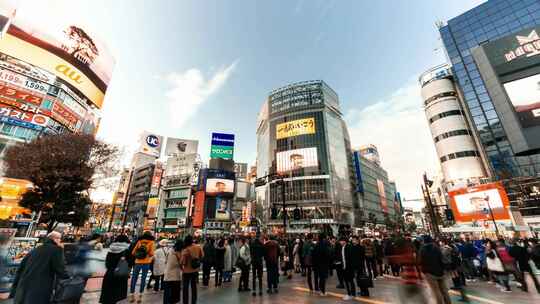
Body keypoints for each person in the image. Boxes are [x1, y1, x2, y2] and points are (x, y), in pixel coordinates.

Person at [10, 231, 69, 304]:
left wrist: (14, 289)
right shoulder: (56, 250)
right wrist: (70, 277)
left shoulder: (35, 249)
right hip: (40, 288)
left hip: (24, 286)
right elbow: (61, 269)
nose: (60, 241)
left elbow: (21, 268)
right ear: (55, 239)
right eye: (60, 239)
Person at [419, 235, 451, 304]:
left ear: (424, 241)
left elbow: (421, 261)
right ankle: (448, 302)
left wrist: (423, 271)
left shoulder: (422, 250)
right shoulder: (436, 247)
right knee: (444, 290)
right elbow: (441, 258)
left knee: (436, 291)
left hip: (430, 273)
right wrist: (443, 268)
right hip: (440, 271)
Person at [99, 234, 131, 304]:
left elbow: (107, 264)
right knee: (116, 296)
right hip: (120, 275)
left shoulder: (111, 249)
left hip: (109, 274)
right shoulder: (127, 250)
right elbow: (130, 263)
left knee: (107, 296)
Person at [129, 231, 156, 303]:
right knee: (143, 279)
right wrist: (147, 254)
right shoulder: (151, 242)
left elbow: (133, 252)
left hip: (137, 262)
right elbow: (152, 254)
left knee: (134, 278)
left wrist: (139, 254)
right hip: (146, 263)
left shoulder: (139, 241)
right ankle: (140, 296)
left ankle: (132, 295)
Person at [180, 235, 203, 304]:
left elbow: (182, 262)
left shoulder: (186, 249)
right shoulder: (198, 247)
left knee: (185, 288)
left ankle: (185, 302)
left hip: (187, 271)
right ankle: (194, 301)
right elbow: (202, 256)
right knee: (194, 286)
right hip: (195, 270)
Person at [163, 239, 183, 304]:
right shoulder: (180, 252)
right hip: (176, 276)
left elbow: (165, 261)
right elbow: (181, 263)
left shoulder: (170, 250)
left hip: (167, 274)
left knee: (167, 293)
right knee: (174, 294)